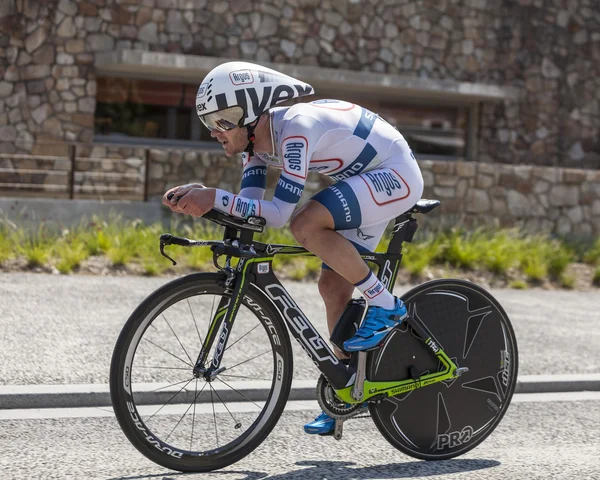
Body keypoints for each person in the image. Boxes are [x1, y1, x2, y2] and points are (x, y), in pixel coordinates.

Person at [163, 61, 424, 435]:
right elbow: (250, 209)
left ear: (251, 113)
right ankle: (346, 393)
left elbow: (279, 215)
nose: (214, 132)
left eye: (222, 120)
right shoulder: (253, 148)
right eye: (209, 122)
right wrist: (206, 199)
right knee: (333, 288)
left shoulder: (295, 130)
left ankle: (386, 306)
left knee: (306, 223)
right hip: (364, 178)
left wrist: (214, 197)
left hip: (394, 174)